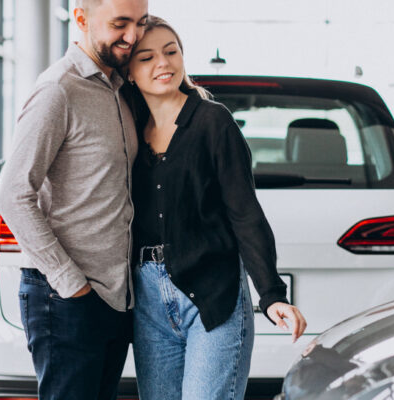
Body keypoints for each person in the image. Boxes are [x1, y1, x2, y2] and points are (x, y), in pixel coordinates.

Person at [124, 16, 307, 400]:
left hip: (213, 296)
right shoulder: (127, 127)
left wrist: (272, 294)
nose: (164, 63)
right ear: (129, 70)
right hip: (148, 305)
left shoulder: (213, 121)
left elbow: (244, 213)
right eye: (147, 57)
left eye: (171, 52)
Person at [0, 0, 148, 398]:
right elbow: (14, 195)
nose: (132, 37)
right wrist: (72, 285)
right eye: (120, 23)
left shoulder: (118, 89)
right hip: (67, 298)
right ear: (81, 18)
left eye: (140, 23)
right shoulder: (57, 90)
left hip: (113, 297)